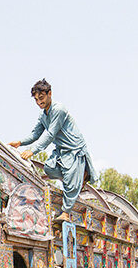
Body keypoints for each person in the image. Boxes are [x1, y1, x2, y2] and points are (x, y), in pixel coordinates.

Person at [8, 79, 96, 221]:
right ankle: (75, 178)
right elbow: (36, 134)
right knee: (49, 169)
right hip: (61, 150)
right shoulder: (44, 115)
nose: (39, 102)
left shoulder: (59, 110)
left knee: (70, 181)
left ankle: (66, 213)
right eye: (36, 100)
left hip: (74, 149)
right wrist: (20, 143)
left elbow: (50, 134)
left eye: (41, 98)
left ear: (50, 93)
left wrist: (33, 151)